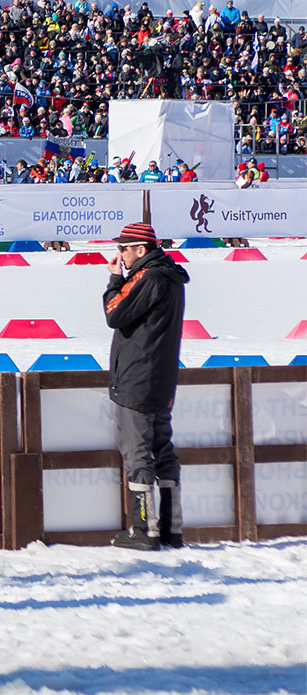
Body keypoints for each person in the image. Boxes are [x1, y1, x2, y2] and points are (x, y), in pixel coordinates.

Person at [103, 220, 190, 550]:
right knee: (163, 451)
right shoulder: (169, 276)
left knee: (137, 452)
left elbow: (115, 314)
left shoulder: (148, 277)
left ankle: (144, 530)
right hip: (161, 378)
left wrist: (114, 281)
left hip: (137, 378)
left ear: (141, 250)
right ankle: (170, 528)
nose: (119, 254)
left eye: (123, 248)